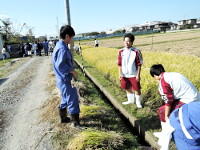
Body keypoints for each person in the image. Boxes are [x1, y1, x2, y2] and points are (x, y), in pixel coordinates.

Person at [150, 64, 199, 137]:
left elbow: (168, 101)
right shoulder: (172, 74)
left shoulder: (163, 82)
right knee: (169, 109)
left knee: (162, 111)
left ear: (155, 75)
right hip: (195, 96)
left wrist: (166, 115)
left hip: (189, 100)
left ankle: (166, 134)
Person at [52, 25, 80, 127]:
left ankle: (63, 118)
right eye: (71, 37)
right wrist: (72, 71)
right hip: (65, 79)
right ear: (67, 36)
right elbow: (61, 66)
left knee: (65, 98)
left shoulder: (59, 45)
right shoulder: (62, 48)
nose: (71, 40)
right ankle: (75, 122)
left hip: (60, 79)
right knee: (72, 99)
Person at [117, 33, 143, 108]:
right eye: (125, 41)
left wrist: (138, 75)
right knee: (126, 87)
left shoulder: (136, 51)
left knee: (136, 88)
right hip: (124, 74)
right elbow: (119, 64)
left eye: (128, 41)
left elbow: (139, 64)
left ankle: (138, 102)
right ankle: (130, 100)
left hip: (133, 74)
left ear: (132, 42)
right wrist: (120, 74)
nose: (126, 43)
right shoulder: (121, 51)